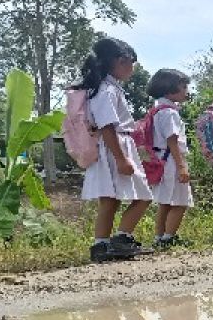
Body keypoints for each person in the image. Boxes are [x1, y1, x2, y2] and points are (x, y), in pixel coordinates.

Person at [74, 38, 153, 264]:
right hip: (114, 146)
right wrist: (121, 159)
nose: (133, 69)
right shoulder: (106, 90)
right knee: (143, 196)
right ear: (120, 61)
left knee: (110, 200)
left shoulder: (102, 89)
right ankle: (122, 238)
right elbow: (107, 125)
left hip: (110, 145)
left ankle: (101, 245)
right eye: (132, 63)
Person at [146, 69, 194, 248]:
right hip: (172, 160)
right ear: (170, 89)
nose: (186, 91)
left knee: (165, 201)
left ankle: (160, 237)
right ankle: (169, 237)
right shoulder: (170, 113)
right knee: (180, 201)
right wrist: (181, 166)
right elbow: (172, 139)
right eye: (183, 87)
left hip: (161, 159)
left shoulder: (157, 109)